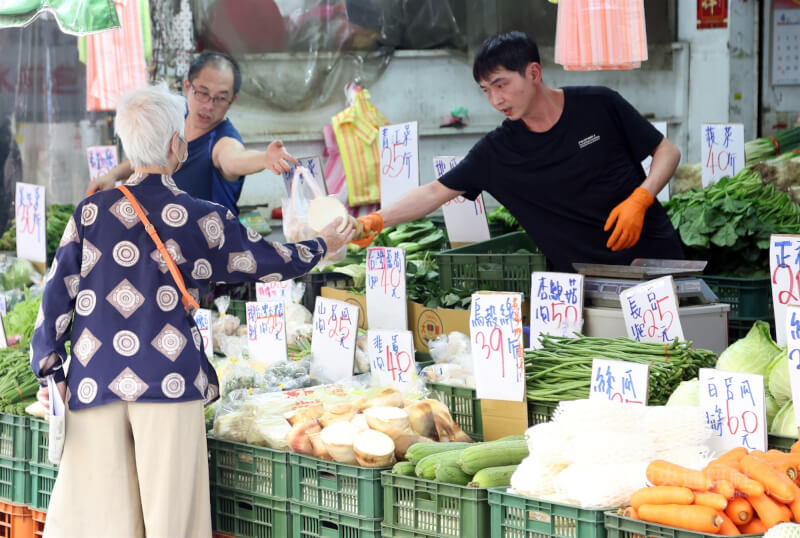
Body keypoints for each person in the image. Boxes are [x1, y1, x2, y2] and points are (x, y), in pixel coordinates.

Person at [31, 83, 354, 538]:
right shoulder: (201, 216)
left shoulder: (89, 214)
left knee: (101, 524)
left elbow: (53, 304)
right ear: (174, 145)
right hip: (169, 379)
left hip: (94, 379)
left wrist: (52, 373)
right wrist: (323, 245)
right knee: (172, 520)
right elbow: (266, 262)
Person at [354, 32, 684, 272]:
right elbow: (434, 192)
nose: (495, 99)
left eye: (501, 84)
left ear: (534, 73)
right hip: (584, 284)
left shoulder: (599, 104)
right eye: (486, 91)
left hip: (655, 262)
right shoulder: (497, 153)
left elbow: (666, 151)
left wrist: (640, 199)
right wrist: (376, 220)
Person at [88, 51, 296, 215]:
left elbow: (233, 159)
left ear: (232, 99)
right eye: (202, 93)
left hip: (209, 252)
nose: (208, 106)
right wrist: (113, 175)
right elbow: (149, 154)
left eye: (220, 98)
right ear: (188, 87)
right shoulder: (174, 120)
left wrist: (263, 159)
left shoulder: (223, 140)